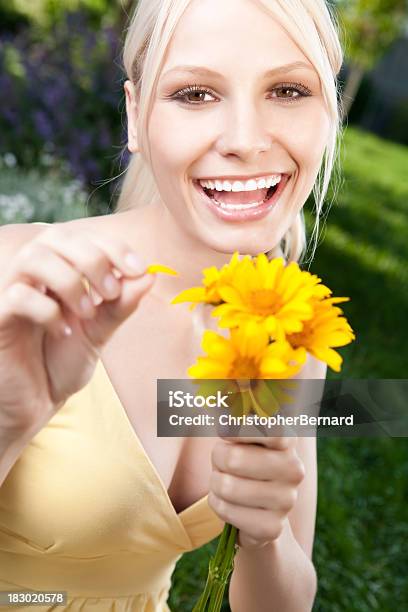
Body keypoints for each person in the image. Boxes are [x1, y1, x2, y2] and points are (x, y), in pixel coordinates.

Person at [0, 0, 343, 609]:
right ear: (135, 114)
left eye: (288, 89)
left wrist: (264, 540)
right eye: (196, 94)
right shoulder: (19, 279)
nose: (245, 141)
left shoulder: (292, 339)